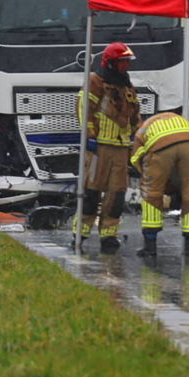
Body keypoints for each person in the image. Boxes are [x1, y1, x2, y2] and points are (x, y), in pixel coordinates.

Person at [75, 42, 141, 251]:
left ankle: (108, 235)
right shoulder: (95, 81)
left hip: (121, 149)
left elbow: (135, 114)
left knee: (116, 195)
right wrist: (89, 136)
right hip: (99, 148)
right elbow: (84, 107)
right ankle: (80, 234)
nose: (125, 66)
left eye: (127, 62)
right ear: (111, 62)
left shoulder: (127, 86)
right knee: (91, 192)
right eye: (122, 62)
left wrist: (136, 136)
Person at [130, 112, 189, 257]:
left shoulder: (141, 131)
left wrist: (145, 173)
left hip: (160, 147)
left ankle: (150, 246)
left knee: (152, 193)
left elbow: (137, 158)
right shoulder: (178, 119)